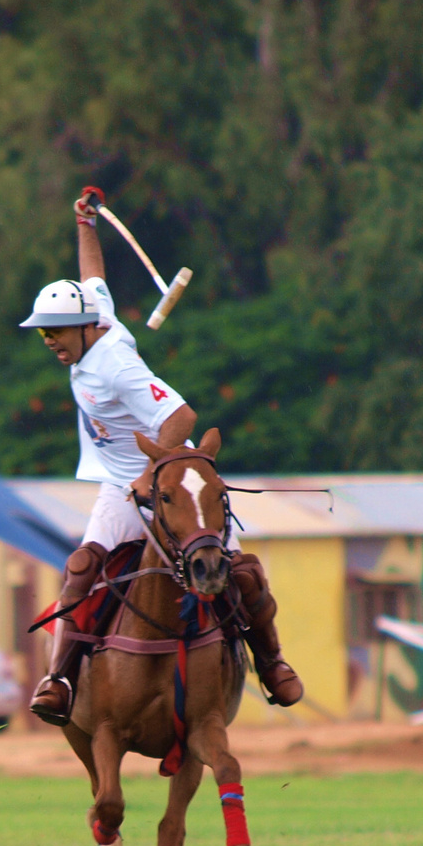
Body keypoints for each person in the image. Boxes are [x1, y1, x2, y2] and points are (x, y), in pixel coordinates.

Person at [21, 189, 303, 725]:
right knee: (81, 570)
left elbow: (181, 418)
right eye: (44, 335)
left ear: (83, 329)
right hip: (119, 486)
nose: (50, 342)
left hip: (168, 485)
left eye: (54, 332)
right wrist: (85, 223)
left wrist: (154, 474)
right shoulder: (94, 313)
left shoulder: (115, 366)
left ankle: (272, 664)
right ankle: (59, 679)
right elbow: (92, 275)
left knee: (241, 575)